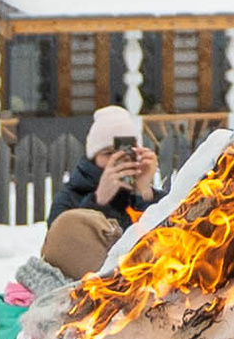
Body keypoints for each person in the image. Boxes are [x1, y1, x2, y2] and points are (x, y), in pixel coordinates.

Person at [39, 108, 161, 281]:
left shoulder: (151, 197)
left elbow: (168, 242)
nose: (117, 160)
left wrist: (145, 194)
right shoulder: (71, 195)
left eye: (128, 153)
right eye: (109, 153)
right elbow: (60, 250)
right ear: (93, 157)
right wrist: (99, 202)